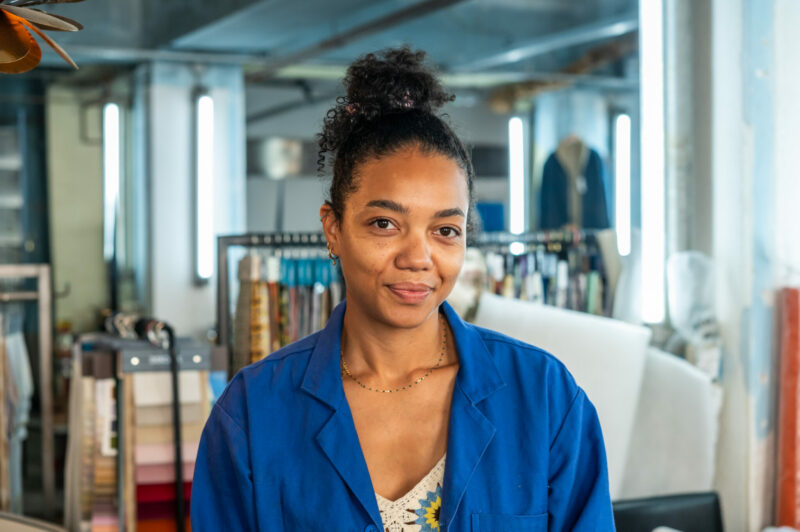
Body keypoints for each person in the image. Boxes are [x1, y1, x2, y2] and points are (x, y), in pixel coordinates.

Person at [190, 47, 615, 531]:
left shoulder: (544, 398)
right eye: (386, 223)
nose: (418, 258)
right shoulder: (252, 414)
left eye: (445, 230)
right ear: (333, 228)